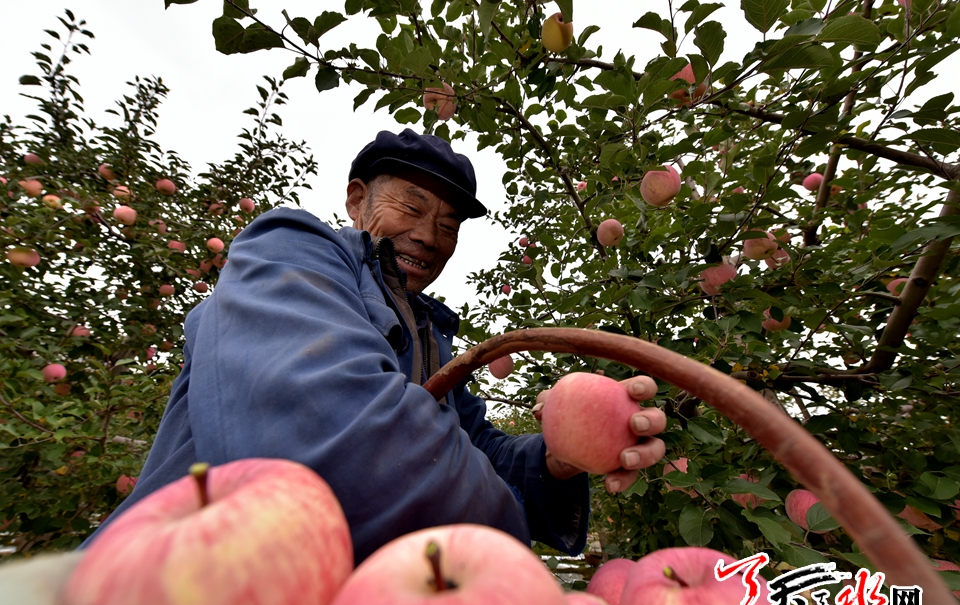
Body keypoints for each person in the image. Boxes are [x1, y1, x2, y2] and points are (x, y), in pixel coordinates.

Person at [82, 129, 667, 563]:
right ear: (356, 199)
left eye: (448, 226)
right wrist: (508, 531)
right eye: (411, 206)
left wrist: (558, 459)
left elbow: (477, 448)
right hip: (165, 590)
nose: (428, 236)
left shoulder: (433, 338)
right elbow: (329, 439)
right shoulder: (291, 253)